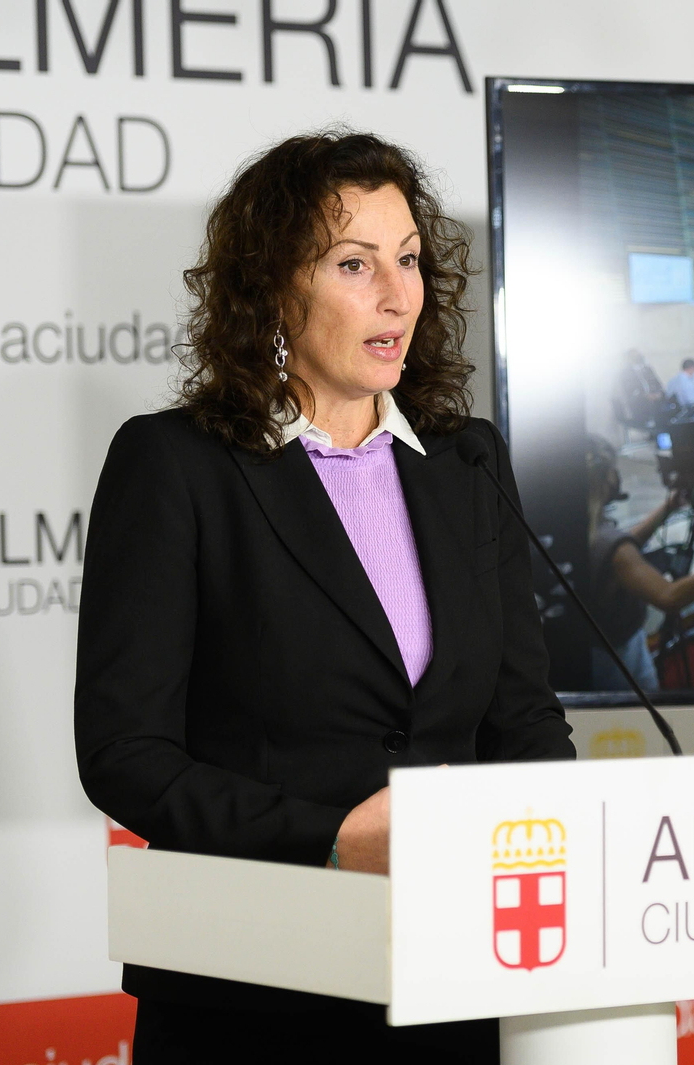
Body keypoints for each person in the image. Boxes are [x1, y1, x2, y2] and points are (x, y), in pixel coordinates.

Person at [74, 130, 573, 1062]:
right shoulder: (176, 465)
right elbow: (124, 751)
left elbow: (523, 719)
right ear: (273, 288)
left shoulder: (466, 462)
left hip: (452, 980)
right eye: (355, 263)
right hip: (254, 993)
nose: (398, 295)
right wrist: (333, 837)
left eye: (411, 259)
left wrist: (568, 835)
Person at [585, 436, 694, 691]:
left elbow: (623, 544)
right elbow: (670, 595)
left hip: (598, 648)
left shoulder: (585, 529)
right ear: (604, 478)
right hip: (620, 658)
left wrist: (667, 508)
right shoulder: (613, 548)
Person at [620, 348, 669, 427]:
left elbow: (658, 384)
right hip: (639, 404)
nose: (638, 357)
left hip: (656, 401)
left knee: (668, 402)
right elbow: (630, 391)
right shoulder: (626, 373)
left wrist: (658, 394)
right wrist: (646, 396)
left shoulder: (647, 369)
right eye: (634, 356)